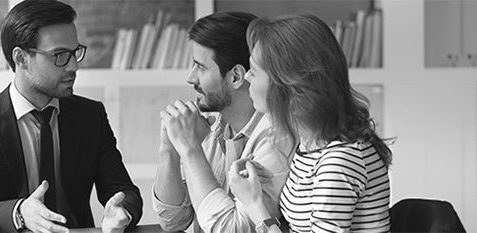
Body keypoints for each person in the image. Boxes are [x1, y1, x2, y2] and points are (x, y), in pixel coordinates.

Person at [0, 0, 143, 232]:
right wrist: (18, 213)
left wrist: (122, 212)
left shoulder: (90, 116)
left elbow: (124, 191)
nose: (74, 67)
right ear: (21, 58)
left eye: (75, 53)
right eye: (60, 55)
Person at [229, 14, 392, 232]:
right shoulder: (309, 146)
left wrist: (254, 204)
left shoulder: (339, 161)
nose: (247, 77)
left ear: (289, 87)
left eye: (254, 71)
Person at [154, 12, 295, 232]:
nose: (190, 78)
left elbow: (231, 229)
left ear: (237, 77)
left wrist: (191, 149)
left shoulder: (276, 139)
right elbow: (173, 221)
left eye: (200, 67)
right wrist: (169, 149)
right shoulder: (210, 126)